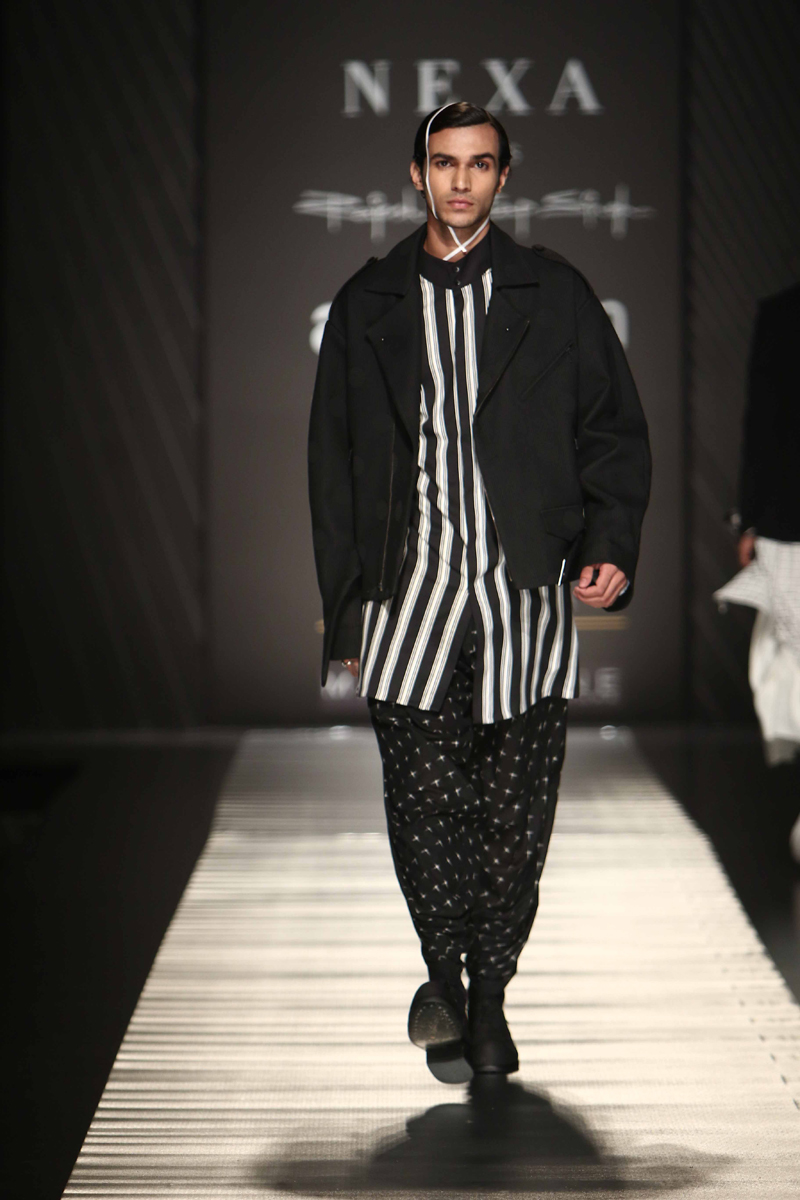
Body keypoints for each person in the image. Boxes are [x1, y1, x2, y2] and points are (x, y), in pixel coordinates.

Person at [308, 102, 651, 1082]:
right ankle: (443, 976)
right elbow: (332, 465)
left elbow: (610, 429)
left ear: (505, 176)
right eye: (445, 163)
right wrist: (345, 603)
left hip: (522, 599)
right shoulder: (369, 303)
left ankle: (488, 995)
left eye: (481, 164)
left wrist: (608, 542)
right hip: (408, 598)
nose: (461, 181)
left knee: (514, 817)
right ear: (416, 174)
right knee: (425, 809)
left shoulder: (554, 294)